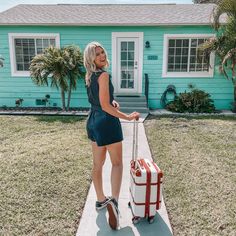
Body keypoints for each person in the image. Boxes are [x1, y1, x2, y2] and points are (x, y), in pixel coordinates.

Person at [83, 41, 140, 230]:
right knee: (116, 163)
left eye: (102, 52)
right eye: (97, 54)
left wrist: (112, 100)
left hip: (93, 121)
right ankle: (114, 201)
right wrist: (127, 117)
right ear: (91, 58)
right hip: (107, 122)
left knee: (97, 165)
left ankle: (100, 200)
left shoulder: (90, 75)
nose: (102, 56)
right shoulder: (104, 75)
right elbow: (105, 105)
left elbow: (101, 101)